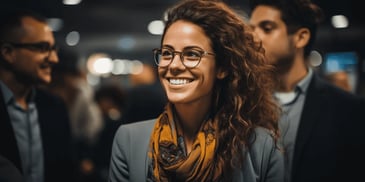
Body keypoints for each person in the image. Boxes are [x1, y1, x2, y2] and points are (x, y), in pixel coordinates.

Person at [109, 0, 284, 181]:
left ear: (222, 67)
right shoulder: (130, 141)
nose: (174, 65)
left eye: (192, 54)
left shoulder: (261, 147)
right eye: (167, 53)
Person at [248, 0, 365, 182]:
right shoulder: (243, 104)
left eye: (267, 28)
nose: (254, 38)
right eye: (252, 29)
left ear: (301, 37)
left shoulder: (348, 109)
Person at [0, 9, 77, 182]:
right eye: (43, 48)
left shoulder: (55, 107)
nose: (54, 59)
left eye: (53, 49)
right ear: (8, 52)